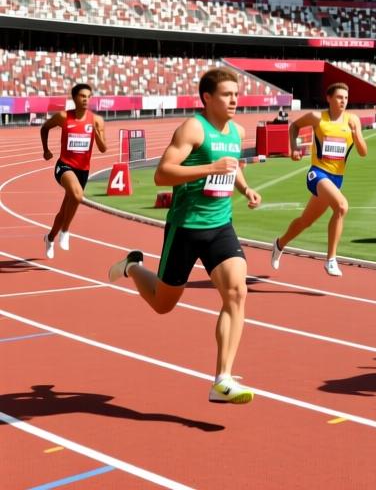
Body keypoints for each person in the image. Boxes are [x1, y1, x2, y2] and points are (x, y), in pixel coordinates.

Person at [107, 68, 263, 403]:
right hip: (187, 227)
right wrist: (209, 168)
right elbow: (162, 174)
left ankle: (222, 380)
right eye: (226, 94)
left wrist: (246, 188)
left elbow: (231, 165)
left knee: (237, 292)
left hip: (221, 225)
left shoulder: (236, 130)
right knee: (163, 304)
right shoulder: (193, 128)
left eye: (236, 94)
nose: (234, 99)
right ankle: (132, 266)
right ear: (207, 98)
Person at [270, 83, 367, 277]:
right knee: (341, 206)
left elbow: (363, 152)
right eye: (339, 97)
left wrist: (356, 133)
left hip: (336, 179)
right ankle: (331, 259)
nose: (343, 101)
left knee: (305, 221)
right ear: (329, 98)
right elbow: (294, 126)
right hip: (317, 174)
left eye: (346, 98)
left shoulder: (352, 120)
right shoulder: (317, 118)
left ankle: (279, 244)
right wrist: (294, 148)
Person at [40, 83, 107, 259]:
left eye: (88, 96)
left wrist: (96, 132)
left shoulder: (97, 120)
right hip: (64, 166)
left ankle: (50, 237)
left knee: (63, 213)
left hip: (82, 171)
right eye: (82, 96)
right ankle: (66, 231)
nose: (86, 99)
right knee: (77, 196)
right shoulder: (63, 117)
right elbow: (45, 127)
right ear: (75, 98)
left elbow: (103, 148)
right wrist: (46, 150)